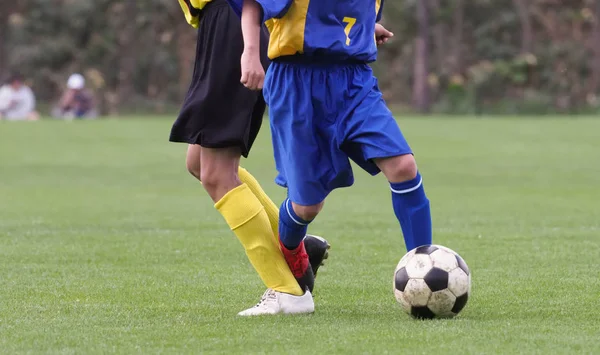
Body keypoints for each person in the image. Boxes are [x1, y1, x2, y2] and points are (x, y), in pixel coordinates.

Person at [234, 0, 433, 302]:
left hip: (354, 81)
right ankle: (291, 254)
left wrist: (368, 28)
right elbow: (254, 5)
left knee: (403, 166)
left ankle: (423, 269)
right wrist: (250, 53)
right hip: (297, 82)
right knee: (307, 207)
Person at [171, 0, 330, 316]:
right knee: (199, 163)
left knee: (217, 174)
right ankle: (294, 247)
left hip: (234, 23)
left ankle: (288, 291)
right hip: (222, 25)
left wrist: (248, 47)